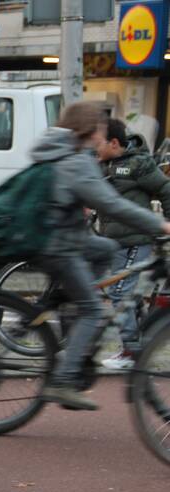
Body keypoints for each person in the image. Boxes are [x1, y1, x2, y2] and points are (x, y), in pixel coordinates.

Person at [30, 102, 170, 410]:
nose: (102, 136)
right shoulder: (78, 159)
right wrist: (160, 225)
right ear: (91, 130)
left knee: (105, 250)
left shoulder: (60, 149)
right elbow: (113, 204)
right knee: (94, 309)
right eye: (101, 129)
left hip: (61, 237)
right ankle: (64, 382)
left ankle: (74, 304)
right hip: (59, 243)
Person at [95, 118, 170, 370]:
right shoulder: (104, 163)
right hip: (116, 240)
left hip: (135, 240)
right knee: (125, 294)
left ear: (114, 143)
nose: (94, 147)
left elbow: (165, 189)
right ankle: (138, 342)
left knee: (119, 293)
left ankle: (130, 352)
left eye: (99, 142)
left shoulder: (138, 163)